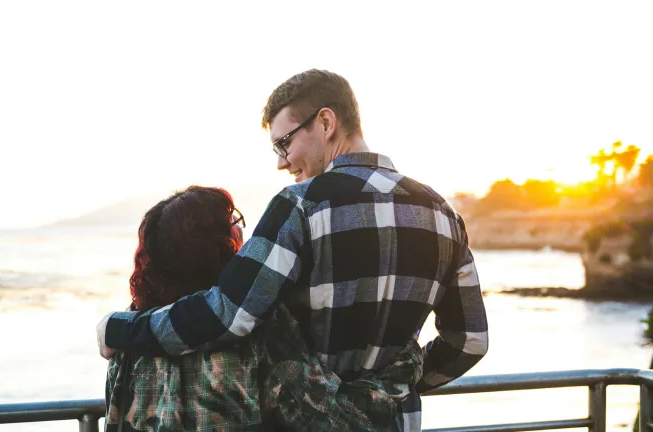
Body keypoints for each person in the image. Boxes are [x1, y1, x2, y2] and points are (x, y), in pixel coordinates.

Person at [98, 69, 489, 430]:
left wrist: (121, 328)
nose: (283, 163)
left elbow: (228, 314)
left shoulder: (300, 206)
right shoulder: (444, 215)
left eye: (284, 143)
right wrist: (392, 388)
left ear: (325, 122)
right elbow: (469, 342)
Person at [104, 185, 423, 431]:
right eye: (233, 223)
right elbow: (330, 420)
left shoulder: (127, 334)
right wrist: (396, 374)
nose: (243, 232)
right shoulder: (262, 329)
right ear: (220, 245)